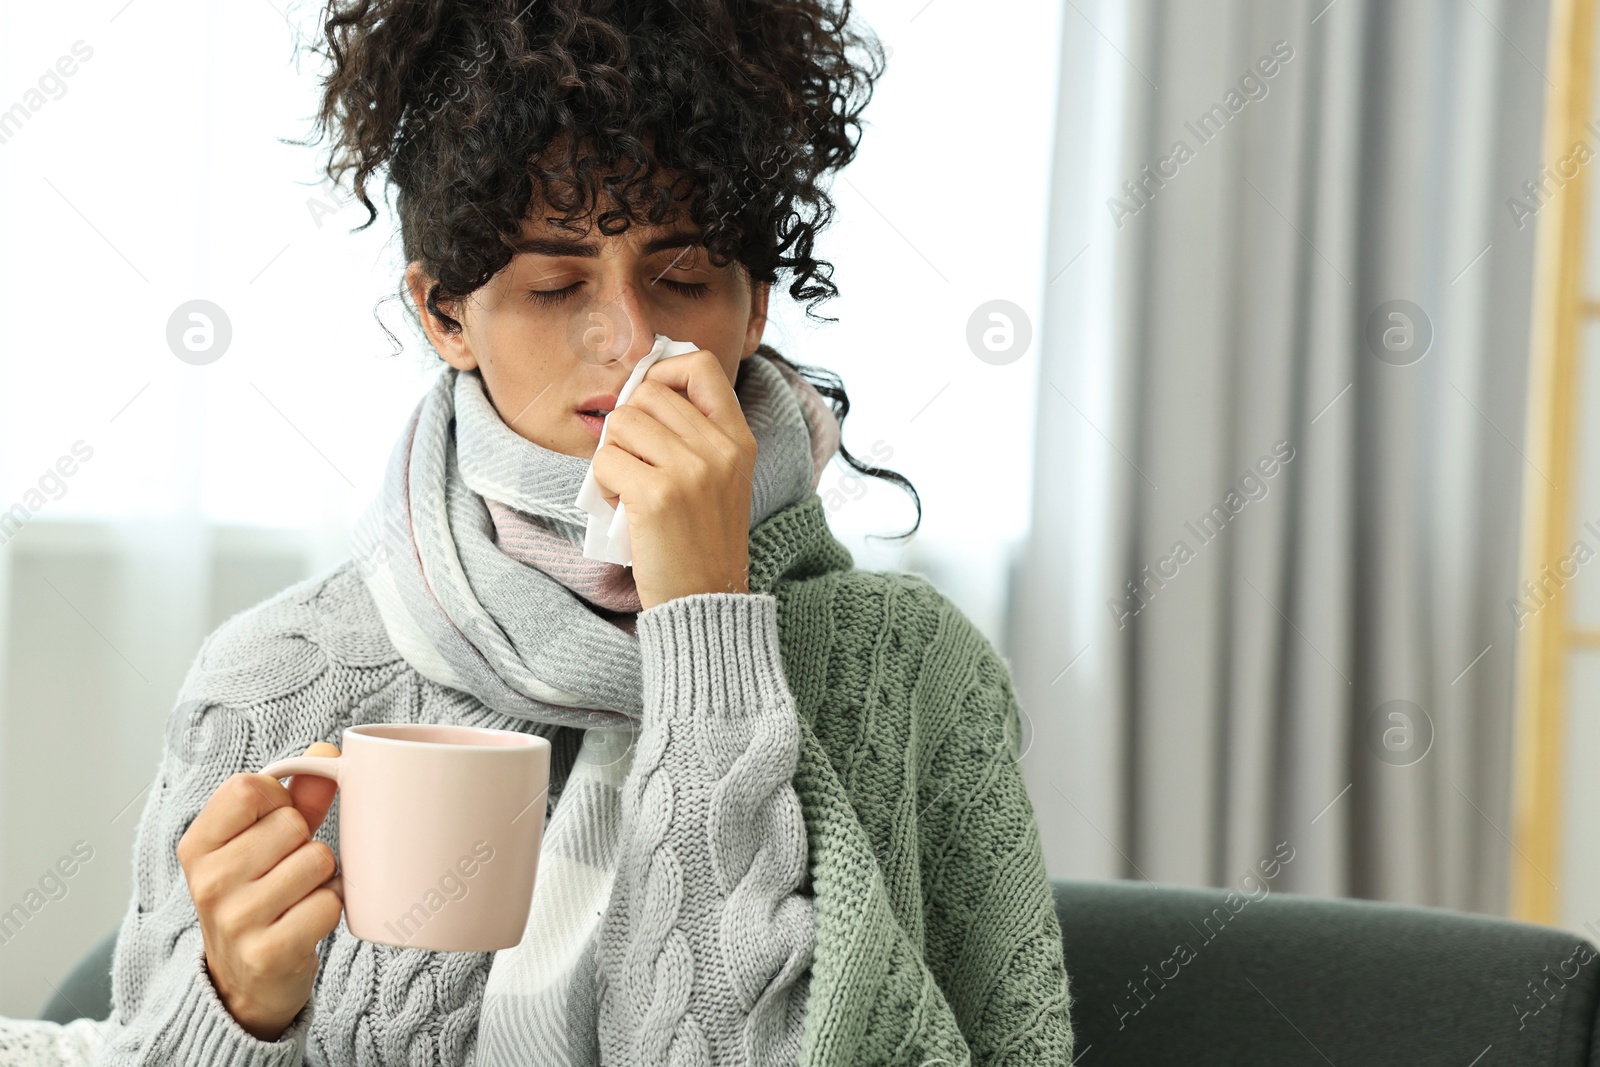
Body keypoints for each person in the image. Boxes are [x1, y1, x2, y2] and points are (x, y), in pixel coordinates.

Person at [4, 0, 1073, 1063]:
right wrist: (235, 1010)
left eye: (686, 276)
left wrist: (706, 618)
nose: (628, 340)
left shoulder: (909, 674)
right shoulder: (278, 678)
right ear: (444, 314)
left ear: (754, 311)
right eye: (556, 284)